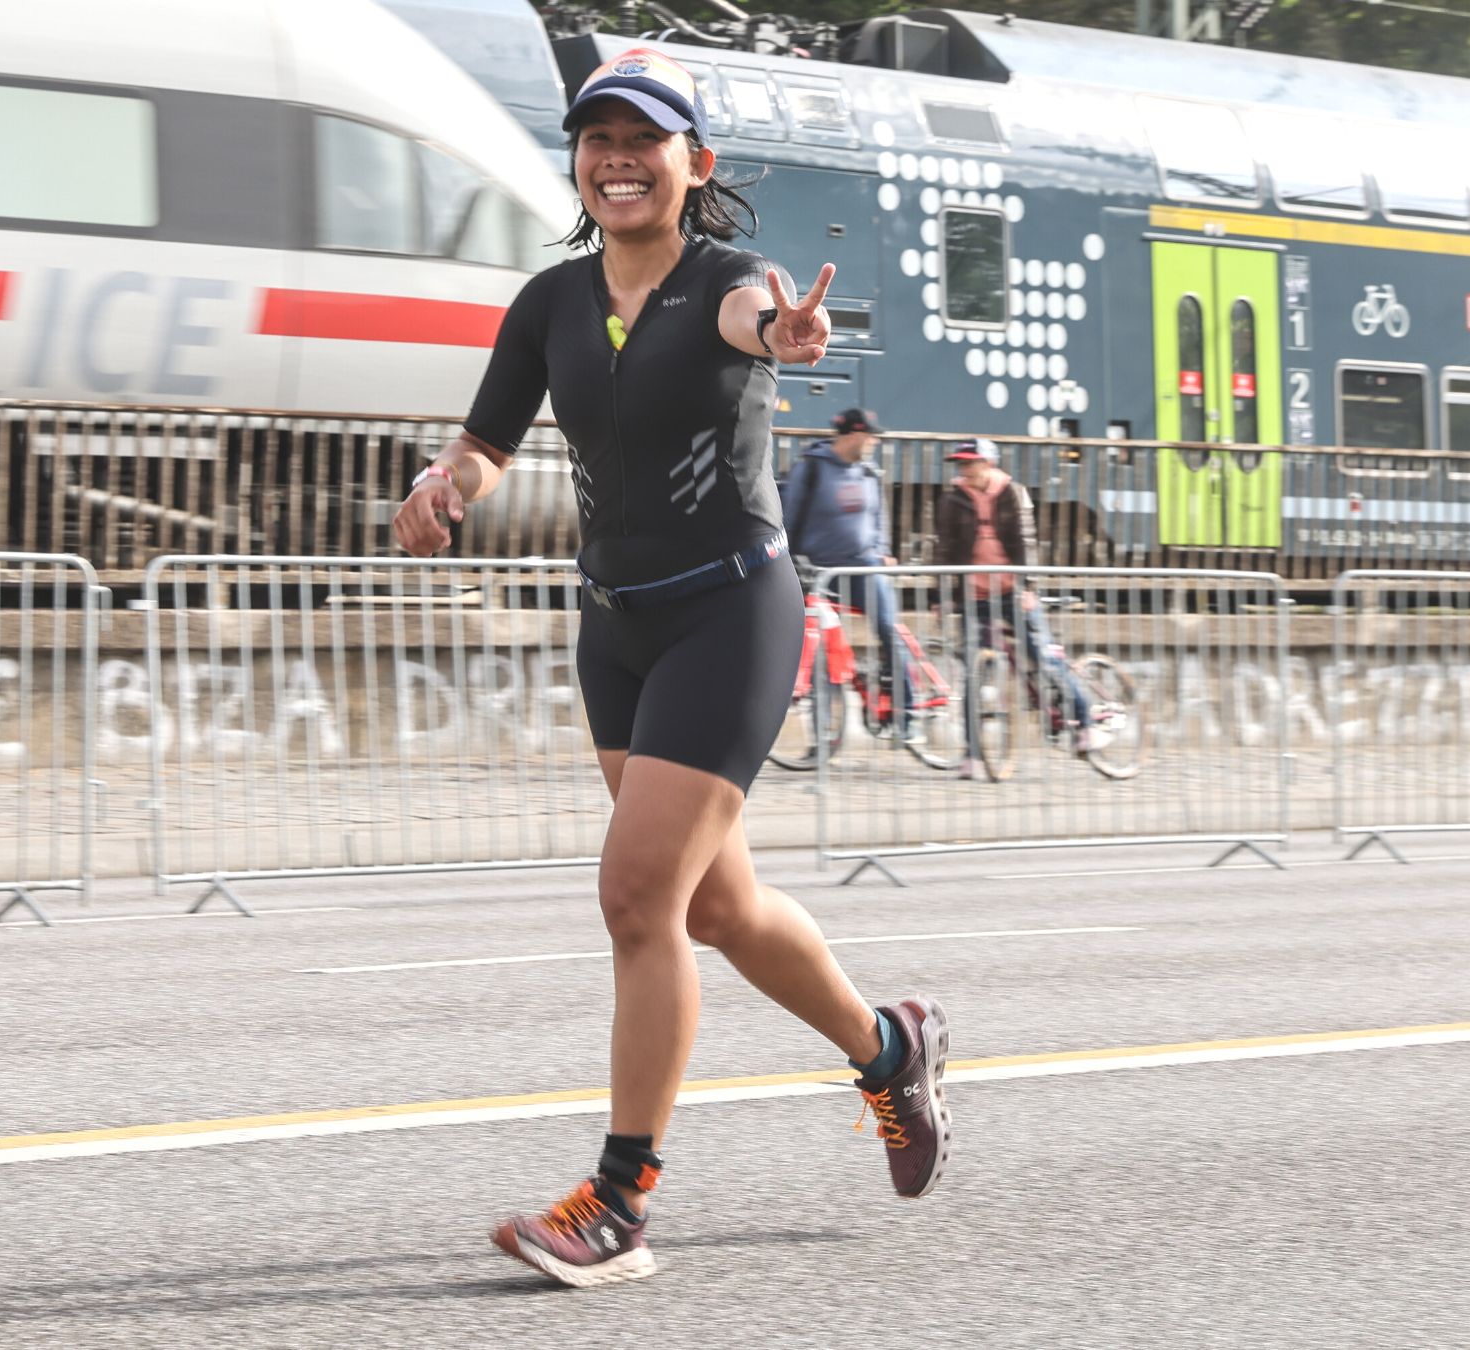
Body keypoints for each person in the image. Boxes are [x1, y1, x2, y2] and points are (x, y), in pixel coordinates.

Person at [390, 48, 949, 1290]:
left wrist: (790, 334)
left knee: (639, 899)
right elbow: (485, 443)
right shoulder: (548, 301)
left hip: (728, 615)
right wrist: (447, 487)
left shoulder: (729, 283)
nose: (616, 158)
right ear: (578, 166)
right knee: (714, 909)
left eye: (644, 140)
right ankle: (886, 1049)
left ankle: (620, 1203)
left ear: (694, 165)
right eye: (596, 139)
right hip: (616, 629)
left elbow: (768, 321)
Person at [933, 438, 1099, 779]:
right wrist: (941, 596)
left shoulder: (1012, 493)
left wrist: (1028, 588)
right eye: (961, 464)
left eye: (971, 462)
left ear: (989, 463)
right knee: (973, 676)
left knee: (1042, 656)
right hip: (974, 596)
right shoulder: (952, 500)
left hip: (1011, 591)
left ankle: (1085, 720)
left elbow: (1025, 543)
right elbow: (945, 550)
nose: (965, 469)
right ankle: (973, 757)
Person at [780, 407, 912, 735]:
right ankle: (823, 737)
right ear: (853, 435)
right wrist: (787, 560)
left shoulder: (868, 472)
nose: (875, 443)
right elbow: (790, 515)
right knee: (820, 650)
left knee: (888, 629)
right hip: (819, 573)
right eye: (871, 436)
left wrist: (882, 550)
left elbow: (878, 517)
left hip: (864, 568)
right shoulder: (812, 468)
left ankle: (908, 713)